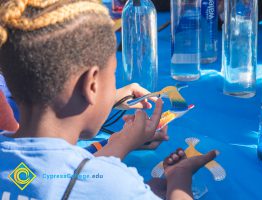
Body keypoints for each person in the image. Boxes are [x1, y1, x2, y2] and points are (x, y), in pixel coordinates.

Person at [0, 0, 217, 199]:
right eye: (113, 74)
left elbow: (53, 179)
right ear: (91, 84)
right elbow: (89, 183)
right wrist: (180, 178)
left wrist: (122, 142)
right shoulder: (114, 185)